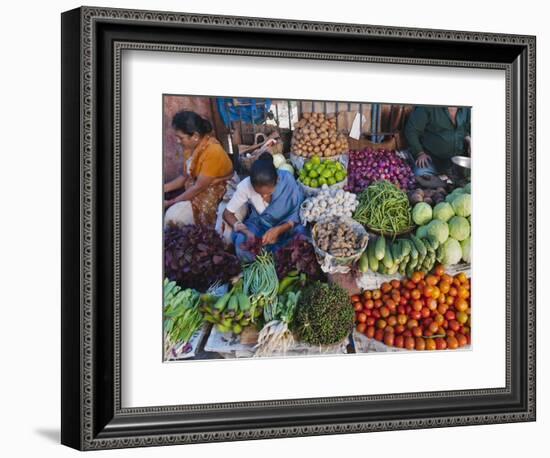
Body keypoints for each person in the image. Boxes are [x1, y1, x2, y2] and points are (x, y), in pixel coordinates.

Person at [223, 153, 306, 262]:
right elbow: (227, 213)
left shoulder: (287, 180)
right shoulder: (246, 186)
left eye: (268, 193)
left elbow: (298, 214)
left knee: (302, 235)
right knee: (241, 244)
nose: (263, 196)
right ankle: (273, 257)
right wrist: (248, 233)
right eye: (259, 193)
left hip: (286, 226)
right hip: (260, 225)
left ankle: (273, 257)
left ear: (277, 181)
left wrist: (279, 230)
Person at [164, 111, 234, 226]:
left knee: (177, 218)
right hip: (200, 183)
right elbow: (184, 176)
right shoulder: (190, 147)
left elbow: (198, 187)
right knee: (175, 215)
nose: (177, 141)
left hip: (220, 185)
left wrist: (171, 202)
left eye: (180, 138)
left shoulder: (212, 151)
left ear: (195, 136)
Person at [404, 106, 471, 176]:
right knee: (421, 174)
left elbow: (467, 129)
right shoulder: (428, 107)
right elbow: (411, 130)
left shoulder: (466, 109)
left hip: (458, 161)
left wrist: (469, 139)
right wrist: (419, 153)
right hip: (431, 160)